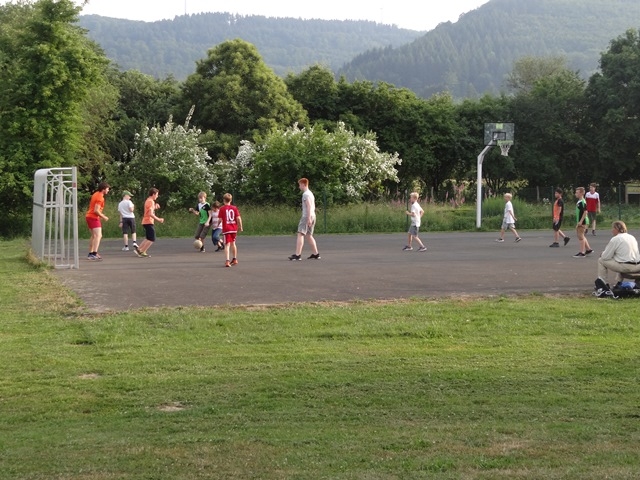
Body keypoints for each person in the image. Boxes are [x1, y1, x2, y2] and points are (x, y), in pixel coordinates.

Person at [595, 221, 640, 290]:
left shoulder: (615, 239)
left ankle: (604, 285)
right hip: (638, 266)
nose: (612, 230)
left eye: (613, 228)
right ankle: (618, 283)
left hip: (626, 267)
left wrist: (602, 253)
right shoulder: (631, 237)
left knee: (601, 260)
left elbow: (605, 257)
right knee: (620, 259)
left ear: (617, 229)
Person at [289, 178, 320, 261]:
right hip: (313, 215)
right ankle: (316, 254)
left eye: (299, 185)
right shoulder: (310, 193)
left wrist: (308, 218)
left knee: (300, 234)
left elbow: (309, 206)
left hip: (307, 216)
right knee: (309, 235)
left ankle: (297, 255)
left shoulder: (305, 194)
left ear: (303, 184)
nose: (299, 187)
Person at [135, 188, 164, 258]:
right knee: (152, 238)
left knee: (148, 238)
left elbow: (149, 210)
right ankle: (142, 252)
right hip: (148, 221)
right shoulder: (151, 201)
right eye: (157, 195)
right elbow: (150, 214)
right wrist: (159, 219)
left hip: (146, 221)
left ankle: (139, 249)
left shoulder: (148, 200)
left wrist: (155, 207)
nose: (157, 196)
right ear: (153, 194)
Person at [85, 182, 110, 260]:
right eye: (107, 189)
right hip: (93, 217)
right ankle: (94, 253)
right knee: (98, 235)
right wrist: (103, 216)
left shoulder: (96, 194)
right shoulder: (100, 197)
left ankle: (91, 253)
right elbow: (96, 210)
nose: (108, 190)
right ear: (103, 189)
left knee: (94, 236)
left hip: (89, 216)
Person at [219, 193, 243, 267]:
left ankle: (227, 261)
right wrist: (240, 226)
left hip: (227, 229)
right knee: (233, 243)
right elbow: (238, 218)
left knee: (227, 245)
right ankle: (235, 259)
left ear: (224, 200)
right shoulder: (234, 208)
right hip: (233, 228)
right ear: (231, 200)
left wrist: (218, 224)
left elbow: (220, 219)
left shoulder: (222, 208)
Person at [573, 186, 593, 258]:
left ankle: (582, 252)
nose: (575, 194)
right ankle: (588, 249)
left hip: (583, 221)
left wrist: (580, 222)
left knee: (580, 237)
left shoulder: (582, 202)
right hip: (581, 221)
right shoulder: (580, 201)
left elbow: (585, 212)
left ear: (581, 193)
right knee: (582, 236)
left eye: (577, 192)